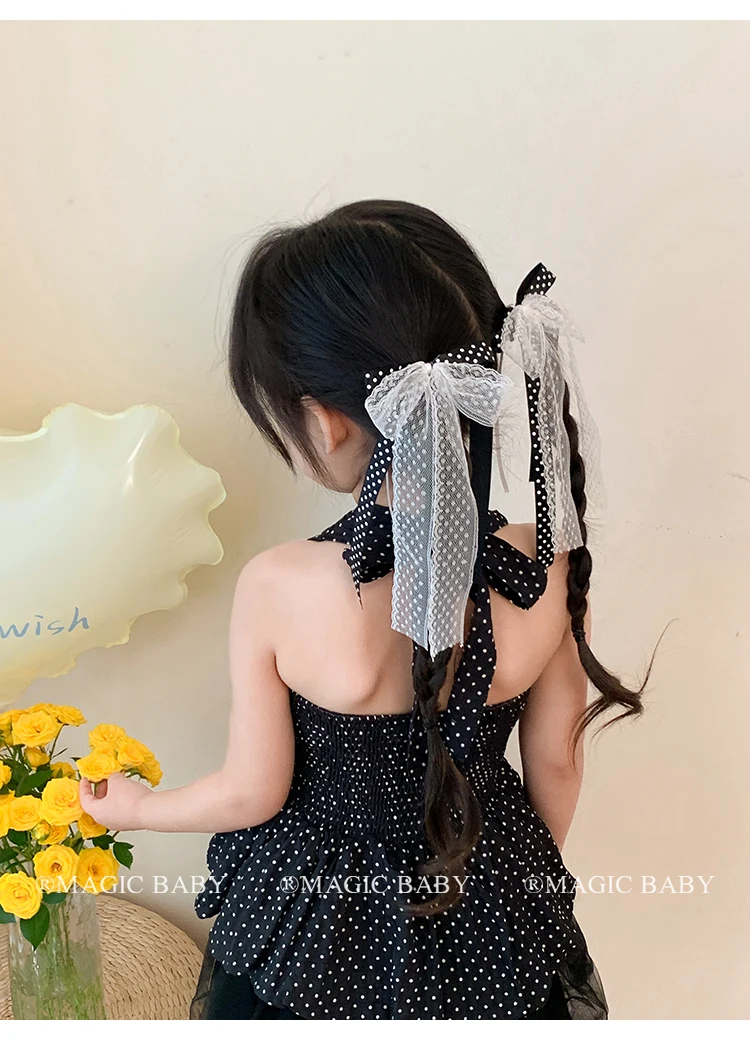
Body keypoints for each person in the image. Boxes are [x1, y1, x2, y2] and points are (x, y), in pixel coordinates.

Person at [80, 199, 658, 1020]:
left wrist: (140, 809)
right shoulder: (547, 564)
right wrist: (505, 885)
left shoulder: (280, 584)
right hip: (487, 891)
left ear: (324, 421)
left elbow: (253, 792)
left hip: (322, 923)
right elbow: (557, 766)